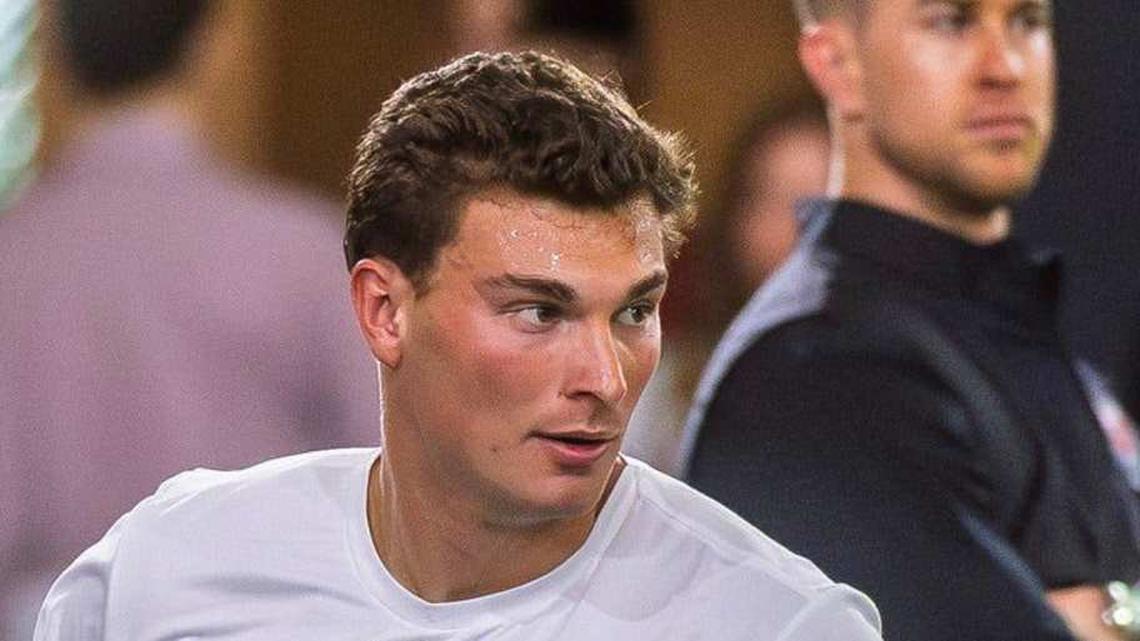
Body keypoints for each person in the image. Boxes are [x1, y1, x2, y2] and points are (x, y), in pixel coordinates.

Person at [34, 51, 883, 641]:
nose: (604, 380)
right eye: (538, 313)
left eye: (633, 312)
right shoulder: (171, 568)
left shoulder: (775, 621)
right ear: (383, 310)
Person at [682, 0, 1140, 640]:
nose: (1005, 66)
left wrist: (1110, 613)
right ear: (838, 64)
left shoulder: (1014, 323)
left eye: (1028, 22)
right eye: (952, 22)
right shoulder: (816, 370)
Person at [0, 0, 376, 634]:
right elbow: (393, 500)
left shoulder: (14, 259)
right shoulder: (305, 258)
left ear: (54, 51)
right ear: (214, 44)